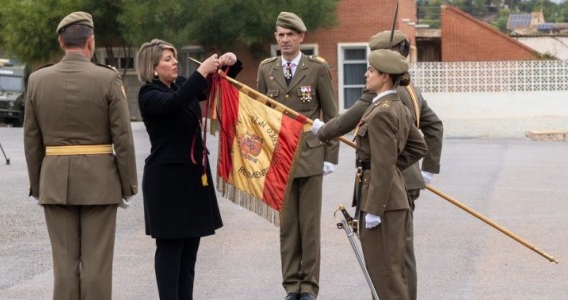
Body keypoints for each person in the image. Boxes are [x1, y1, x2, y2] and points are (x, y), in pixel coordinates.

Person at [317, 30, 442, 300]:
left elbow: (349, 120)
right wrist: (426, 168)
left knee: (387, 262)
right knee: (400, 257)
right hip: (404, 181)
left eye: (372, 64)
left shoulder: (383, 100)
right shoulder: (410, 89)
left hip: (383, 189)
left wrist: (322, 130)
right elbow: (431, 131)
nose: (366, 71)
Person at [23, 12, 138, 300]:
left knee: (64, 266)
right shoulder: (108, 78)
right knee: (97, 266)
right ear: (91, 42)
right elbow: (122, 137)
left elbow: (31, 139)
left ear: (61, 42)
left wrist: (39, 184)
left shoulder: (37, 80)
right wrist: (127, 185)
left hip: (54, 181)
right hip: (100, 183)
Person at [136, 38, 242, 300]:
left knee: (189, 251)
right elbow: (174, 104)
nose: (174, 63)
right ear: (153, 68)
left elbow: (213, 85)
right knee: (170, 250)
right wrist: (201, 71)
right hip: (167, 184)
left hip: (193, 178)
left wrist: (230, 62)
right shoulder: (148, 94)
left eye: (174, 58)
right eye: (168, 59)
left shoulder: (183, 84)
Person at [256, 11, 339, 300]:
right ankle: (292, 286)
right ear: (276, 38)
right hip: (281, 158)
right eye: (280, 35)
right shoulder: (266, 70)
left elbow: (330, 115)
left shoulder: (316, 69)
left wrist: (331, 155)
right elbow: (261, 116)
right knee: (288, 226)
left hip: (311, 156)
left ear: (301, 37)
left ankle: (310, 287)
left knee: (310, 227)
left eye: (291, 34)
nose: (285, 39)